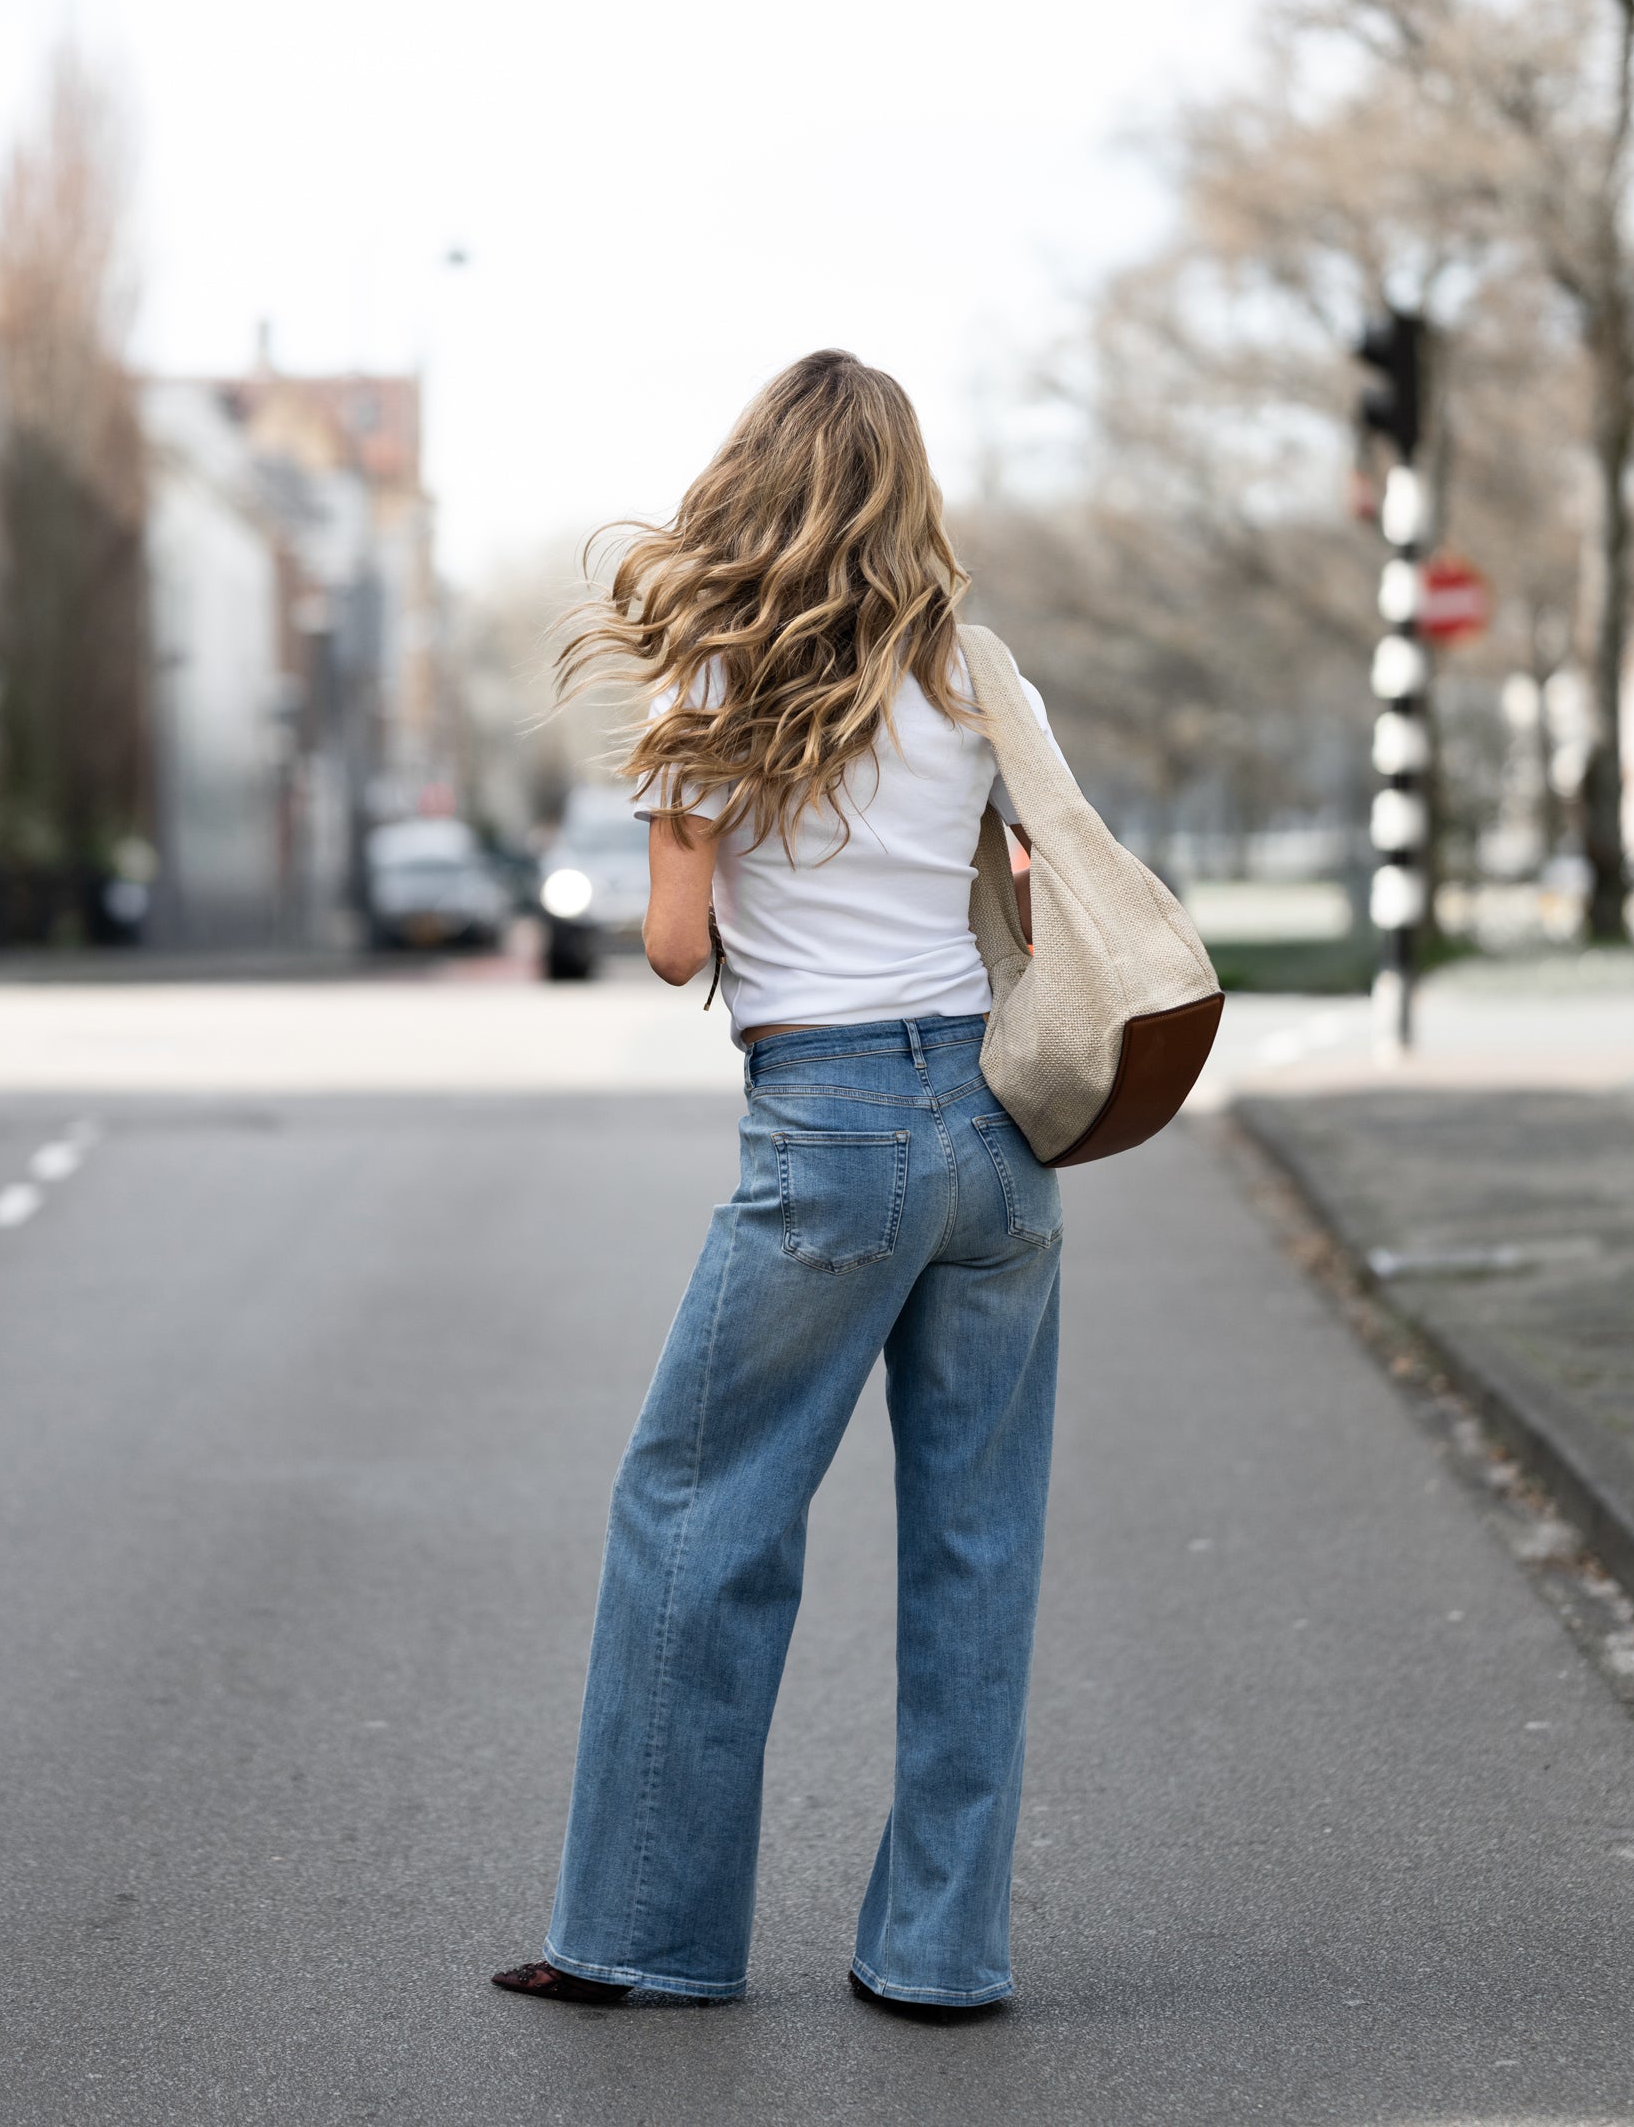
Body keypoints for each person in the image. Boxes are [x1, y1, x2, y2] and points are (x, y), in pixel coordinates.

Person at [493, 349, 1070, 2020]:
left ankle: (646, 1937)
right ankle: (940, 1954)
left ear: (755, 485)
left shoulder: (716, 689)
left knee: (698, 1510)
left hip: (829, 1136)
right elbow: (1037, 872)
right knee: (977, 1544)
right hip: (999, 1136)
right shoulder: (971, 670)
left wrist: (708, 858)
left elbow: (679, 952)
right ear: (906, 495)